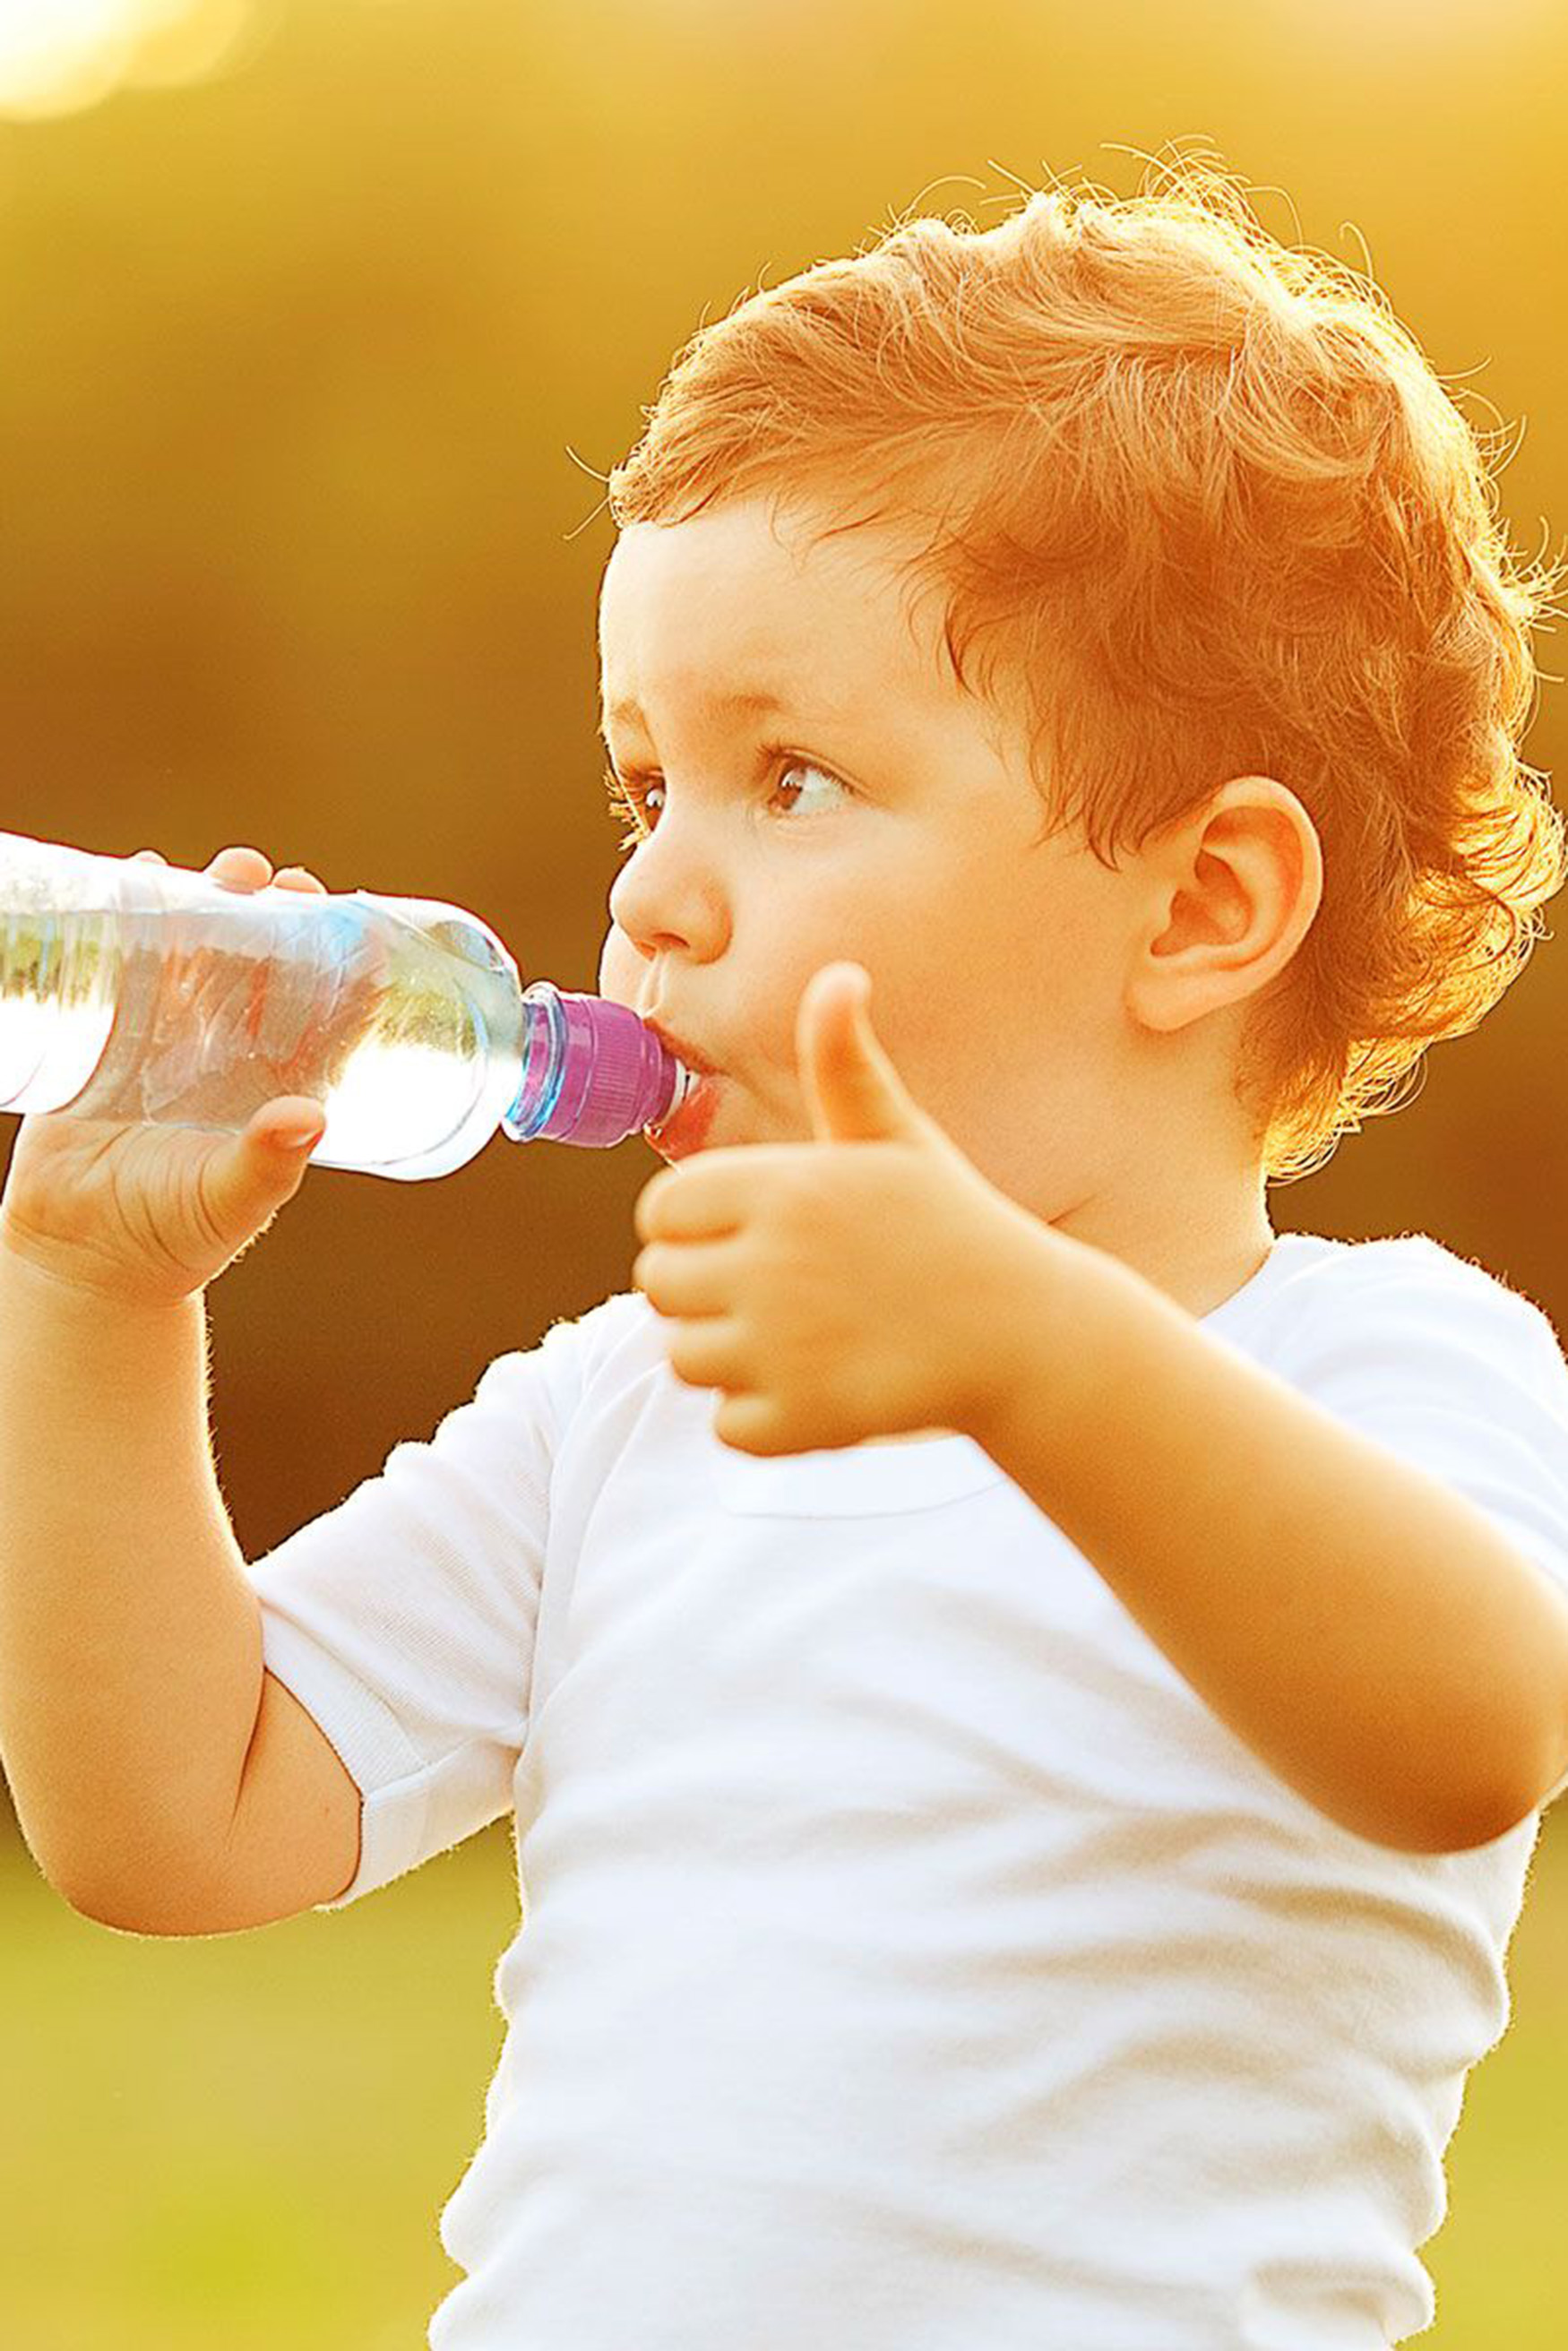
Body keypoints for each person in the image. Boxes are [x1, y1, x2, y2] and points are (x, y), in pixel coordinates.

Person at [4, 155, 1568, 2350]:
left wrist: (1017, 1350)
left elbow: (1468, 1727)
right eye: (649, 789)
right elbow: (181, 1821)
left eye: (793, 779)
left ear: (1203, 907)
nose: (655, 896)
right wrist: (96, 1300)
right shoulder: (635, 1396)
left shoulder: (1380, 1365)